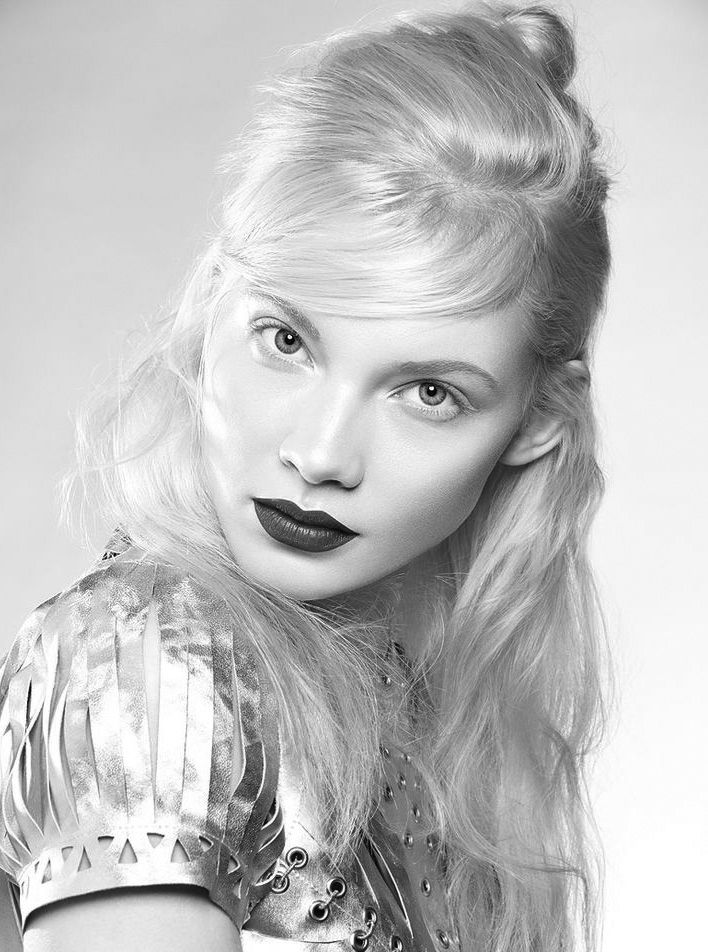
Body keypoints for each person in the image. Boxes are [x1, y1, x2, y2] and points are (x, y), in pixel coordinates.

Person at [0, 2, 613, 950]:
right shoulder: (143, 663)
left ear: (535, 422)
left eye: (427, 392)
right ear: (212, 309)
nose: (321, 454)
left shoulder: (430, 725)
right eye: (286, 339)